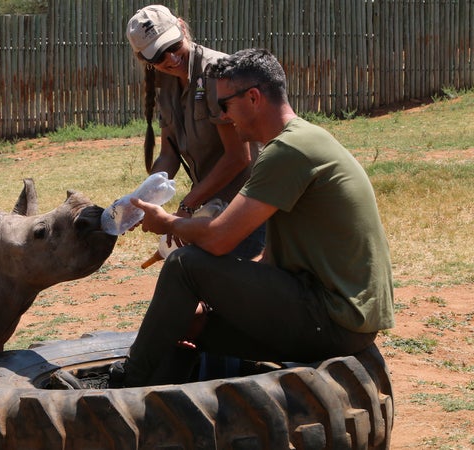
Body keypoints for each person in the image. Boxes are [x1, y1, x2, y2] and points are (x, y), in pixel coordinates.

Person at [119, 48, 395, 387]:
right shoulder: (299, 141)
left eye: (224, 106)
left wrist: (169, 223)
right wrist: (213, 308)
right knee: (190, 324)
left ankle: (123, 386)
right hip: (339, 316)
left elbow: (220, 239)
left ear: (253, 98)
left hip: (335, 320)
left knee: (183, 264)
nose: (220, 116)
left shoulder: (288, 152)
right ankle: (158, 410)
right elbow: (268, 258)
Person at [125, 5, 264, 259]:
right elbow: (168, 154)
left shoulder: (216, 73)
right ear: (144, 60)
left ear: (182, 27)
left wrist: (187, 205)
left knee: (210, 277)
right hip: (214, 204)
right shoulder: (165, 83)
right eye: (158, 56)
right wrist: (141, 202)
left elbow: (238, 157)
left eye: (173, 45)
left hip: (250, 204)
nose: (171, 58)